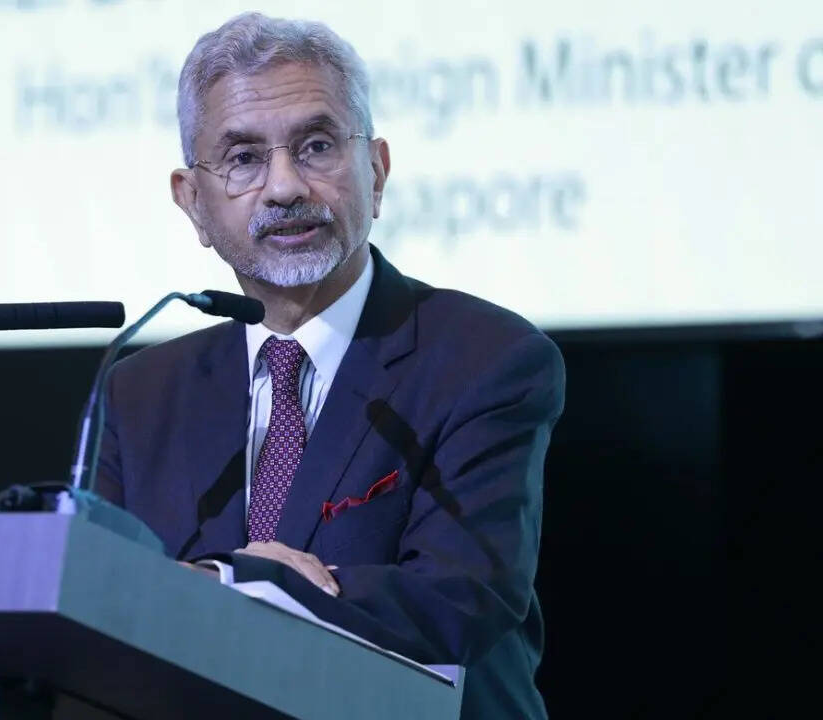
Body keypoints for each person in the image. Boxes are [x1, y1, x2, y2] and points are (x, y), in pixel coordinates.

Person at [96, 12, 565, 719]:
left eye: (316, 147)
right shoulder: (140, 394)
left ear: (376, 171)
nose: (284, 187)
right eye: (243, 158)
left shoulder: (485, 359)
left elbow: (459, 598)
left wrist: (236, 585)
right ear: (193, 202)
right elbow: (101, 602)